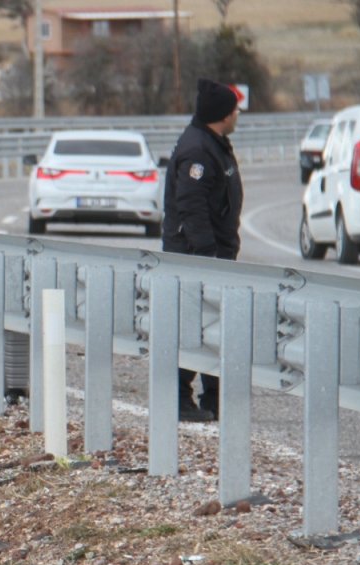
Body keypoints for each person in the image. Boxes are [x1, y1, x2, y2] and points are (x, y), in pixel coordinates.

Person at [162, 78, 245, 422]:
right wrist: (207, 254)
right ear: (223, 115)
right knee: (193, 327)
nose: (238, 114)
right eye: (235, 109)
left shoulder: (213, 142)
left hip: (213, 256)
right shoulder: (198, 149)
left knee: (213, 328)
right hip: (198, 257)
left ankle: (214, 399)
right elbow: (191, 206)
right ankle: (181, 400)